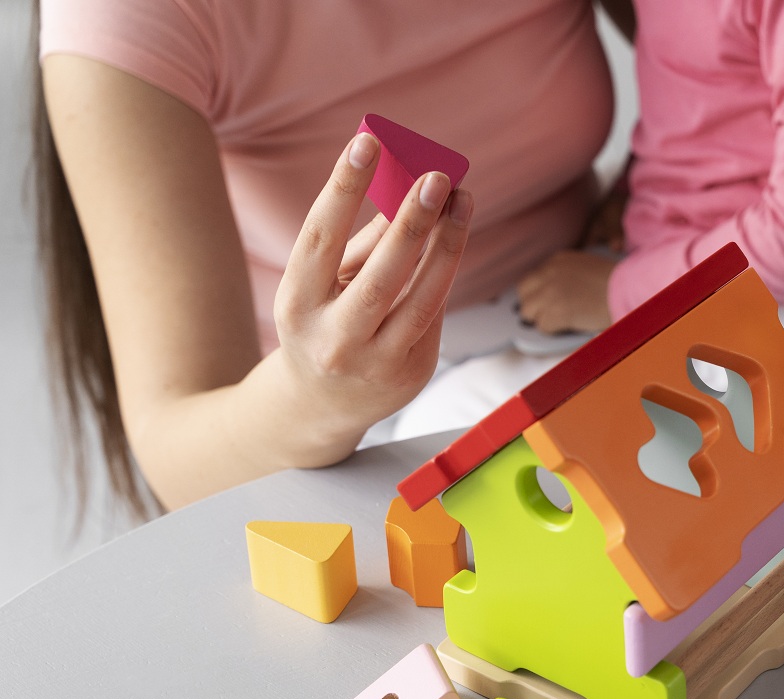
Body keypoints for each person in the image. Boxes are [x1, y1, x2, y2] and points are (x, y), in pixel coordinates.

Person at [35, 0, 622, 512]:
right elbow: (176, 454)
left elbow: (686, 74)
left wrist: (654, 192)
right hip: (339, 429)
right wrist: (312, 393)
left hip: (596, 302)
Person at [511, 0, 784, 416]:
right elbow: (704, 90)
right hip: (695, 271)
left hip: (780, 292)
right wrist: (635, 186)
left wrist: (619, 296)